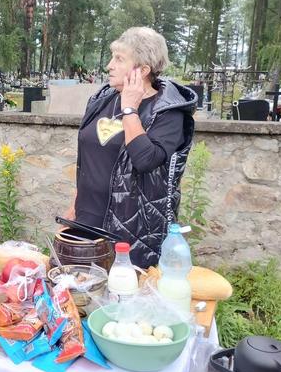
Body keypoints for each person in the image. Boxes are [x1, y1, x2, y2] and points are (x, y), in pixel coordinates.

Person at [67, 27, 197, 268]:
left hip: (131, 232)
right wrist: (73, 208)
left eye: (119, 59)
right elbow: (89, 160)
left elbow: (146, 159)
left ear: (143, 70)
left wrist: (130, 108)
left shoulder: (167, 112)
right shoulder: (102, 100)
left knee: (121, 297)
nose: (109, 65)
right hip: (86, 222)